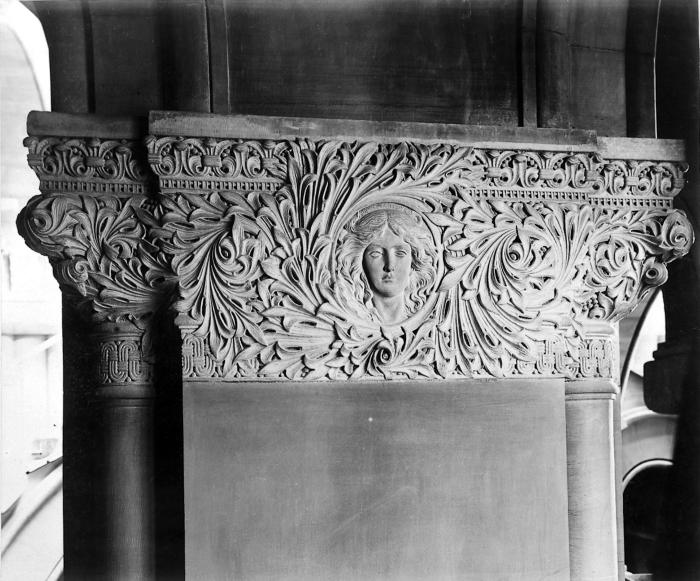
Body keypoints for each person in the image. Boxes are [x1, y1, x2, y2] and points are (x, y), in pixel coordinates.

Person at [338, 205, 436, 325]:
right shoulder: (348, 316)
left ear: (415, 261)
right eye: (376, 254)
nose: (389, 266)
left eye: (400, 253)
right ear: (359, 262)